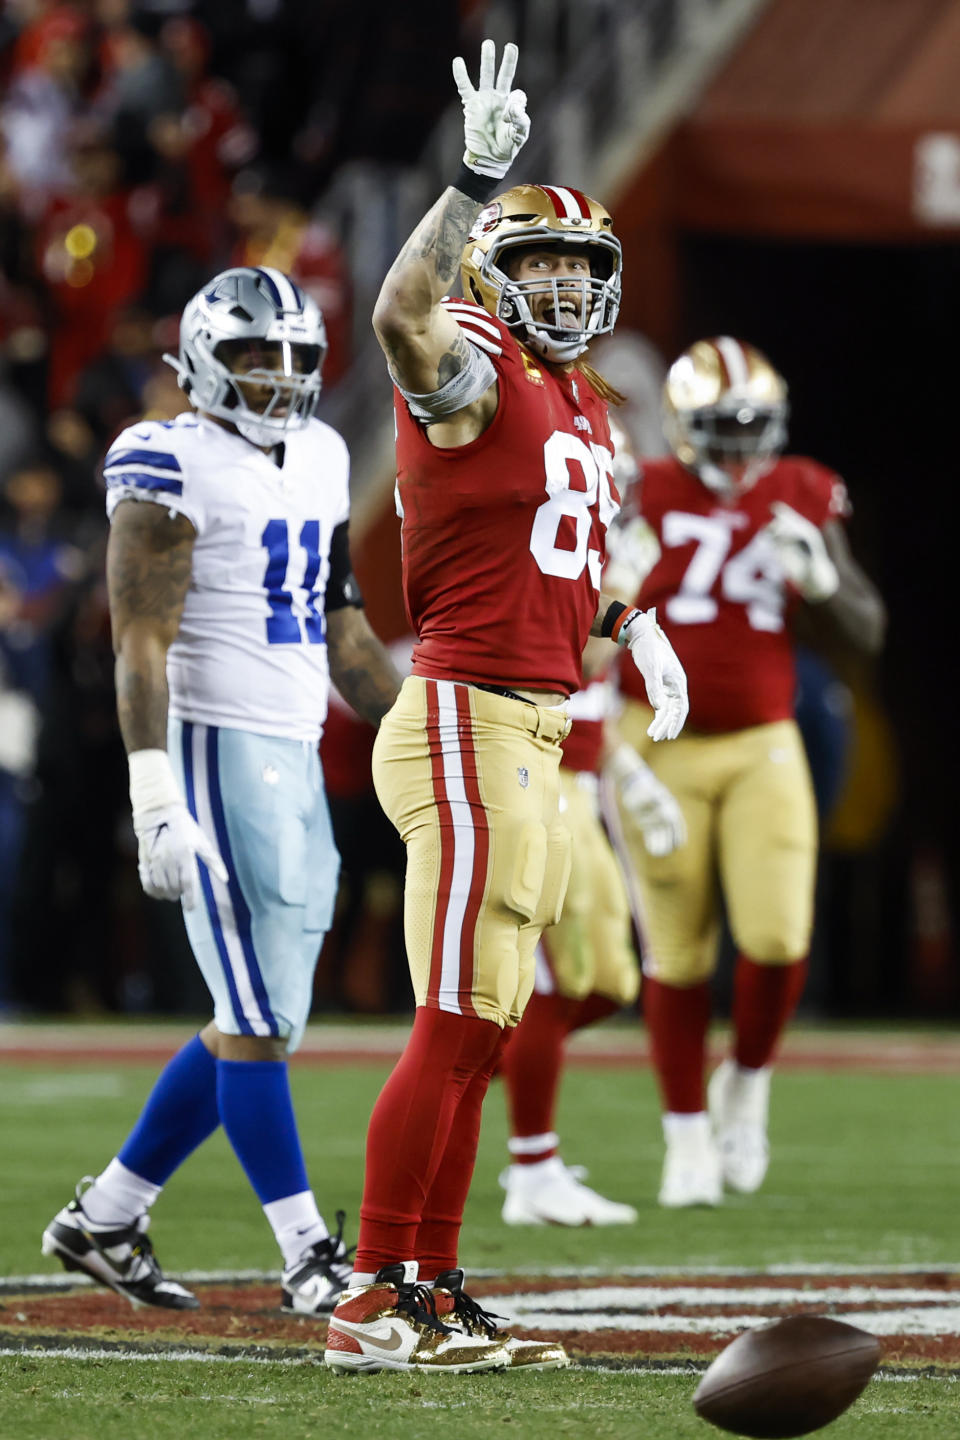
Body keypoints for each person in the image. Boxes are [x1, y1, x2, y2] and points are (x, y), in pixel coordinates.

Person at [323, 39, 688, 1376]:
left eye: (582, 272)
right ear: (494, 275)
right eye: (539, 268)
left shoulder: (580, 399)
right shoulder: (472, 370)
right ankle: (374, 1294)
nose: (563, 290)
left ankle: (430, 1281)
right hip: (471, 717)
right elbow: (398, 320)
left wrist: (633, 629)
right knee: (455, 1019)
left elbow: (556, 571)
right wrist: (473, 181)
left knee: (486, 1025)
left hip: (536, 723)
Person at [41, 264, 402, 1314]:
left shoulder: (328, 454)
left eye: (292, 355)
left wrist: (427, 719)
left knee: (264, 1018)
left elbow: (341, 626)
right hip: (210, 741)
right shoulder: (167, 457)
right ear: (202, 357)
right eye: (252, 353)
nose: (275, 374)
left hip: (295, 748)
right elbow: (141, 637)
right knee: (250, 1014)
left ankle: (105, 1217)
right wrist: (154, 790)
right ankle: (306, 1257)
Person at [609, 336, 885, 1208]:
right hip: (652, 740)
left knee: (776, 936)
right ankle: (685, 1132)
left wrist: (820, 581)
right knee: (677, 952)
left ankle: (749, 1083)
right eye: (720, 428)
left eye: (751, 427)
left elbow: (867, 628)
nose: (737, 446)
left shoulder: (803, 489)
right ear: (684, 428)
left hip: (763, 738)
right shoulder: (637, 487)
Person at [497, 421, 686, 1227]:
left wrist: (629, 772)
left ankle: (483, 1070)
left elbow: (597, 705)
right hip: (530, 773)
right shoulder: (554, 551)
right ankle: (530, 1163)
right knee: (557, 978)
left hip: (579, 777)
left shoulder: (595, 550)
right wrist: (631, 594)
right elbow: (579, 660)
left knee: (610, 981)